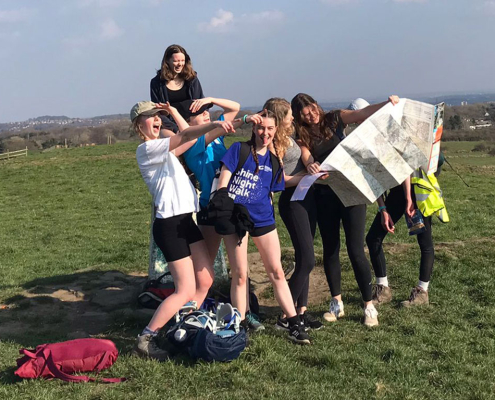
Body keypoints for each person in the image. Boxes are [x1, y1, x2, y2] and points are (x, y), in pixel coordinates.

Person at [131, 101, 235, 360]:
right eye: (150, 117)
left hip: (185, 222)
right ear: (137, 125)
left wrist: (174, 112)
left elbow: (189, 139)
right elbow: (187, 135)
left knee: (206, 280)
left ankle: (183, 326)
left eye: (158, 117)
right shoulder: (147, 150)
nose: (156, 120)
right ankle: (146, 338)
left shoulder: (166, 152)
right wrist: (215, 123)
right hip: (169, 226)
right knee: (185, 289)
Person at [291, 93, 400, 327]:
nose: (311, 115)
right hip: (325, 195)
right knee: (330, 249)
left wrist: (388, 102)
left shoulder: (335, 118)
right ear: (299, 118)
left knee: (356, 250)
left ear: (316, 104)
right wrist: (310, 164)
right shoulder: (302, 135)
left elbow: (363, 113)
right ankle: (336, 302)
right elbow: (306, 154)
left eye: (311, 108)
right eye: (304, 114)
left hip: (352, 192)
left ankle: (368, 306)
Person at [166, 97, 266, 331]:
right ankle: (188, 316)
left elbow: (235, 107)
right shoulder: (193, 144)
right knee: (204, 273)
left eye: (206, 112)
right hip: (210, 211)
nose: (206, 115)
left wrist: (210, 99)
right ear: (189, 122)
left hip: (231, 208)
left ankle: (244, 314)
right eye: (200, 113)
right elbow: (219, 126)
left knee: (240, 270)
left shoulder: (217, 132)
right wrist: (239, 121)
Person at [215, 109, 311, 344]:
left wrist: (312, 175)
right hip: (236, 219)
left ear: (275, 130)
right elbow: (223, 184)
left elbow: (280, 185)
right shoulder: (239, 150)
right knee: (240, 275)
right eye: (261, 128)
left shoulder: (274, 162)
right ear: (254, 129)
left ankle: (294, 323)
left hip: (264, 219)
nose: (264, 133)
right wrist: (225, 204)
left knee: (276, 271)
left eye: (269, 129)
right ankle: (240, 323)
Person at [262, 98, 323, 331]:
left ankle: (301, 312)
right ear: (279, 117)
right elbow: (279, 181)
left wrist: (310, 167)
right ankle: (285, 317)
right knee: (308, 260)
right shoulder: (270, 144)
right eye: (289, 115)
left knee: (303, 258)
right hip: (293, 201)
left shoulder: (289, 136)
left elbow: (303, 153)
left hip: (308, 196)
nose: (293, 118)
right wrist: (307, 177)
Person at [150, 44, 205, 131]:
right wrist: (175, 129)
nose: (180, 64)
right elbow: (158, 110)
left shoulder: (192, 79)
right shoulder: (156, 83)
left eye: (182, 60)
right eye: (176, 61)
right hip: (169, 125)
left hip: (192, 122)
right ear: (167, 61)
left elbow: (200, 103)